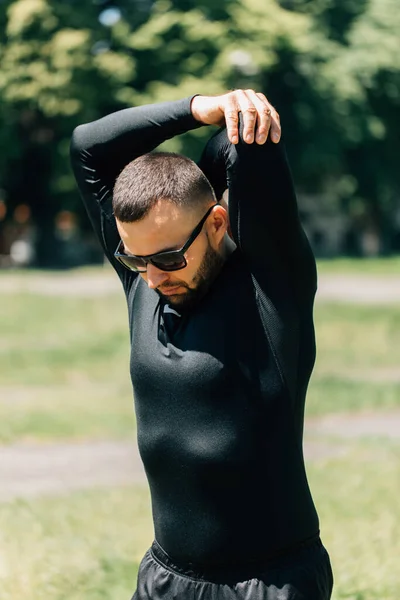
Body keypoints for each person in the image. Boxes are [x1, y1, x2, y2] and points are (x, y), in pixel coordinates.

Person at [70, 89, 334, 600]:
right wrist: (196, 107)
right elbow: (87, 147)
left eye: (167, 259)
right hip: (165, 578)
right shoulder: (145, 280)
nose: (150, 277)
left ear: (216, 222)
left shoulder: (269, 291)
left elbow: (241, 148)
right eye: (134, 260)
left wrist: (233, 115)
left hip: (269, 584)